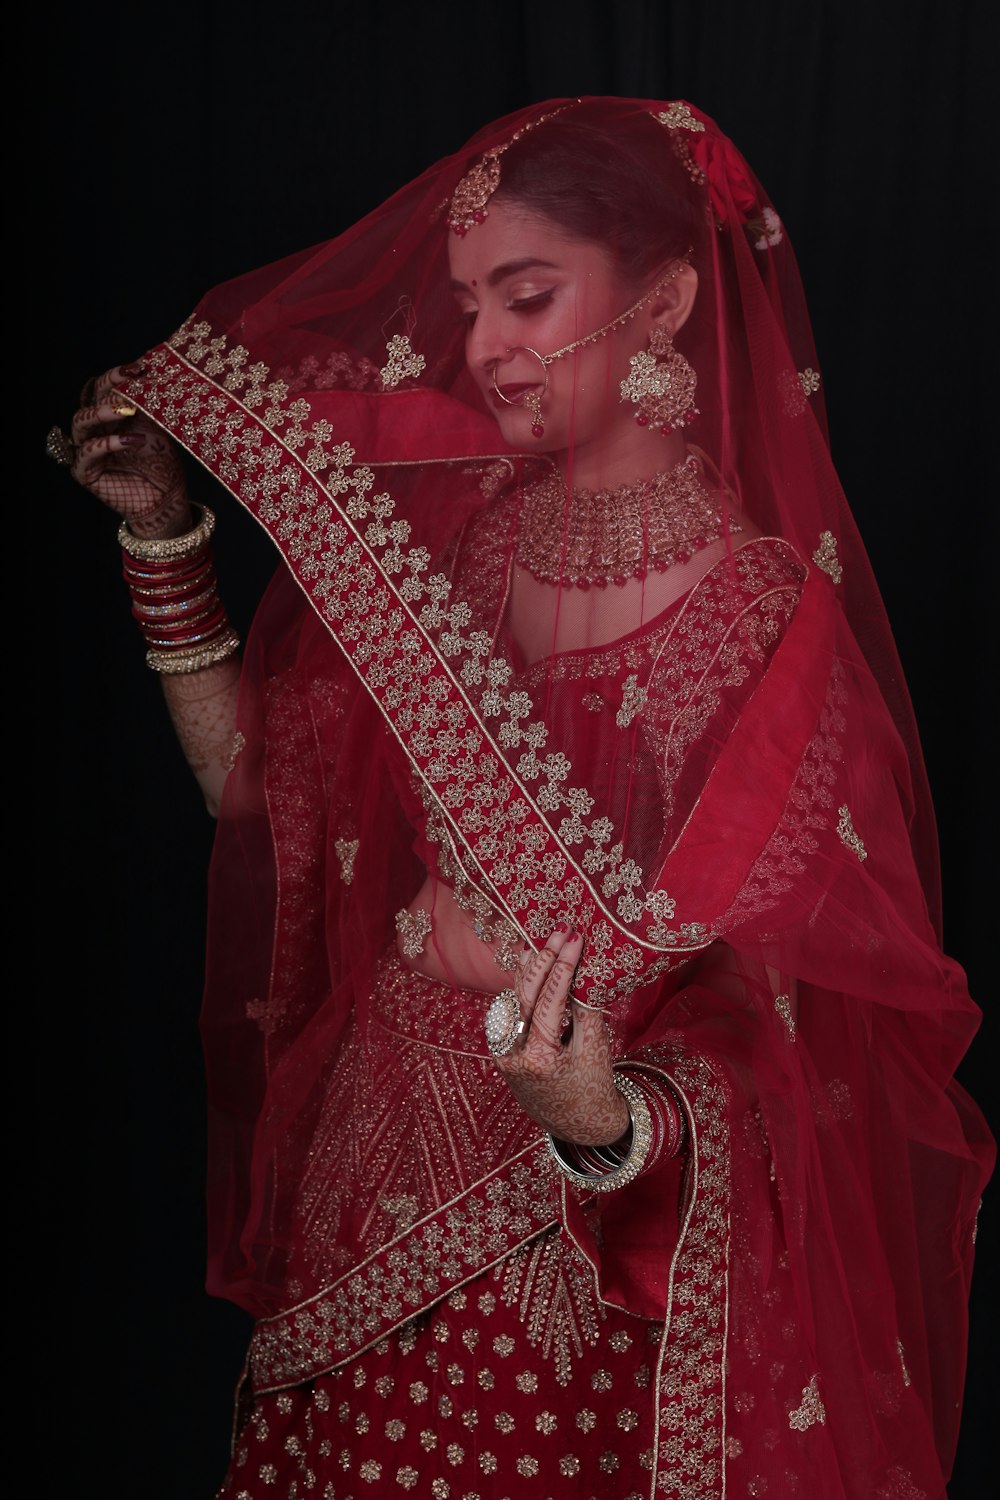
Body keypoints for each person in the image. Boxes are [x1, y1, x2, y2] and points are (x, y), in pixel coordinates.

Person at [52, 97, 991, 1498]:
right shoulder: (463, 557)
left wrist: (608, 1122)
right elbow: (261, 805)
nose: (484, 346)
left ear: (665, 301)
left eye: (529, 296)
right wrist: (165, 541)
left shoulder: (760, 630)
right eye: (471, 302)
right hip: (372, 1194)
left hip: (602, 1258)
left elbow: (811, 1037)